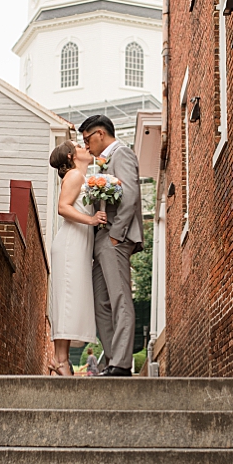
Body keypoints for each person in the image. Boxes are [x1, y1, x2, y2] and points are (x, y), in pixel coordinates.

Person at [80, 114, 144, 376]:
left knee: (119, 299)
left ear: (100, 134)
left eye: (87, 140)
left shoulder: (122, 154)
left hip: (115, 238)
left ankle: (121, 364)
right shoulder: (106, 162)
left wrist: (117, 234)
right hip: (101, 240)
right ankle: (112, 360)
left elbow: (130, 195)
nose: (86, 147)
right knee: (101, 302)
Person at [46, 139, 106, 374]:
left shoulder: (82, 178)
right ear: (71, 156)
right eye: (80, 147)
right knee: (68, 301)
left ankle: (60, 360)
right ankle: (60, 360)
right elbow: (63, 207)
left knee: (70, 301)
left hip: (78, 246)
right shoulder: (74, 176)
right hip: (70, 245)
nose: (86, 148)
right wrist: (91, 220)